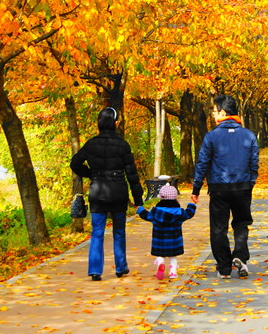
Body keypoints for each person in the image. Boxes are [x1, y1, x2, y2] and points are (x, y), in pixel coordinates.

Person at [70, 107, 144, 281]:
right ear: (115, 123)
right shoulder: (123, 145)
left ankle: (95, 270)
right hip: (118, 191)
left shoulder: (91, 144)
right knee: (119, 231)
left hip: (97, 192)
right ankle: (121, 267)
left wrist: (91, 173)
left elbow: (75, 163)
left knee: (97, 232)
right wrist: (138, 199)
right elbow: (132, 175)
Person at [191, 95, 259, 279]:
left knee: (218, 227)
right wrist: (250, 182)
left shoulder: (212, 136)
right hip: (243, 187)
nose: (213, 115)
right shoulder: (249, 135)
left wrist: (196, 188)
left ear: (223, 112)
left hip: (219, 188)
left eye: (214, 111)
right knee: (241, 223)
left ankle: (224, 267)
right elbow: (254, 163)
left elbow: (203, 163)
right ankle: (240, 257)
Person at [137, 184, 197, 280]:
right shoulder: (179, 213)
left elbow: (146, 216)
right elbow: (189, 213)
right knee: (173, 256)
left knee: (160, 255)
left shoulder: (155, 212)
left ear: (161, 197)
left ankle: (160, 263)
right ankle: (173, 272)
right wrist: (192, 204)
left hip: (159, 241)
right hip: (174, 241)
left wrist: (140, 209)